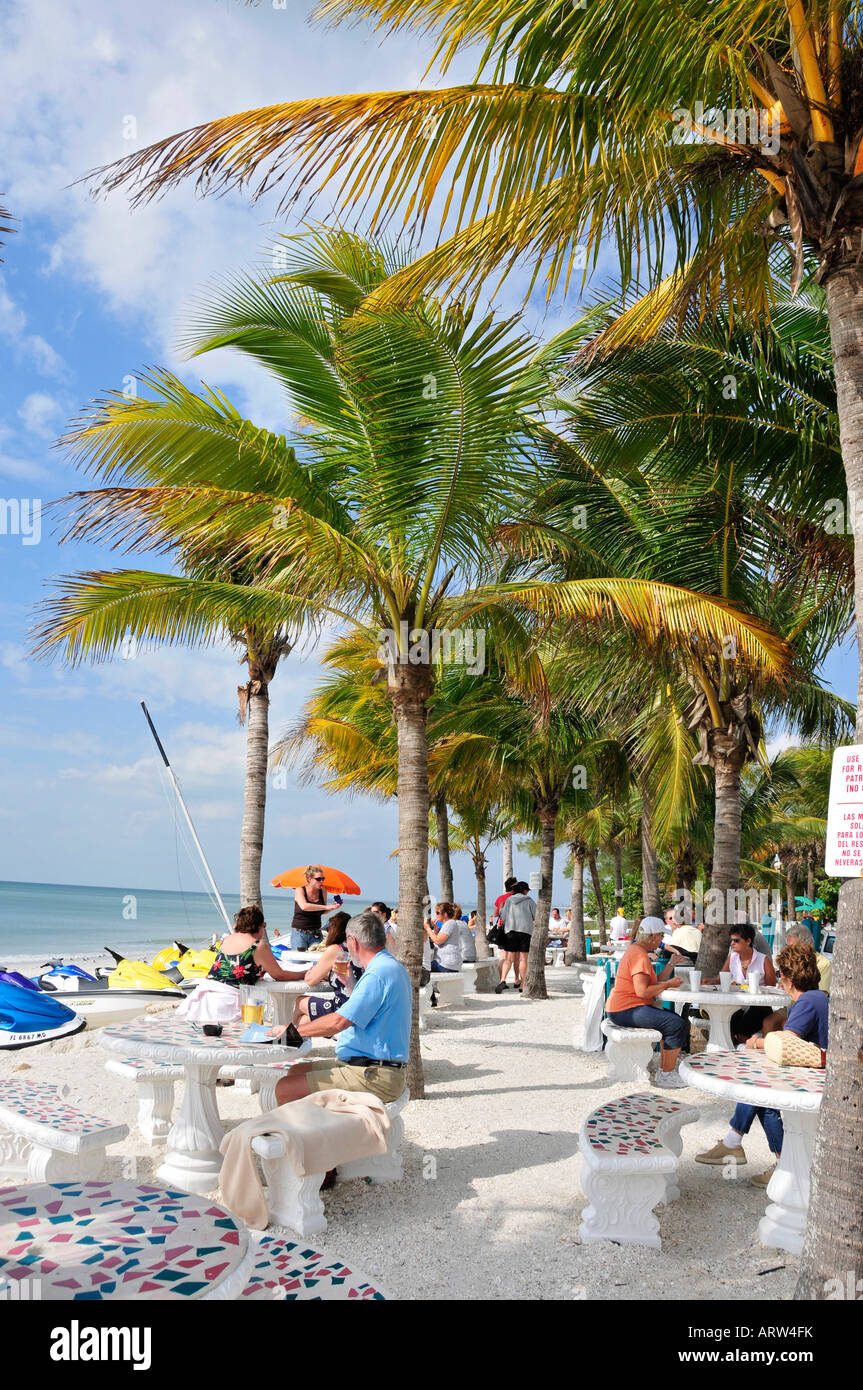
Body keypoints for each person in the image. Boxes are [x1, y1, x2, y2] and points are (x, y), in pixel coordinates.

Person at [695, 941, 828, 1186]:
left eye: (780, 975)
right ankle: (741, 1145)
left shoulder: (806, 1002)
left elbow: (786, 1044)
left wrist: (756, 1042)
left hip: (817, 1079)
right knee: (761, 1094)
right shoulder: (819, 997)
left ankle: (763, 1156)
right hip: (818, 1071)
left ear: (789, 978)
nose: (779, 982)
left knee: (762, 1095)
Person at [274, 912, 411, 1109]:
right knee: (295, 1072)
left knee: (286, 1088)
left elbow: (338, 1022)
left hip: (375, 1075)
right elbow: (372, 1007)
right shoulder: (390, 966)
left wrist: (290, 1033)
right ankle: (315, 1132)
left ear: (352, 941)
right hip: (370, 1067)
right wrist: (349, 984)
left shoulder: (377, 974)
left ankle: (305, 1138)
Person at [178, 904, 307, 1024]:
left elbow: (232, 968)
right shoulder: (258, 946)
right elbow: (280, 975)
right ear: (258, 925)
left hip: (204, 997)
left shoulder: (228, 939)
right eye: (264, 925)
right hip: (228, 1002)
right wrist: (305, 974)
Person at [605, 916, 688, 1088]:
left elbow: (652, 983)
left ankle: (665, 1070)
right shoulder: (640, 956)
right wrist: (668, 984)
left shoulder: (636, 951)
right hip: (626, 1009)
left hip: (621, 1008)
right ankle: (666, 1075)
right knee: (675, 1024)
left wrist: (670, 964)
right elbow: (642, 991)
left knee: (672, 1019)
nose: (662, 940)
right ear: (653, 937)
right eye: (661, 936)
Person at [705, 922, 776, 1041]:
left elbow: (771, 987)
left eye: (736, 940)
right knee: (728, 1020)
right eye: (731, 940)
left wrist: (754, 989)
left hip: (758, 1005)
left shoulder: (764, 960)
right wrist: (709, 981)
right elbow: (720, 979)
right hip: (737, 1003)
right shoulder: (732, 958)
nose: (732, 943)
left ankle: (742, 1046)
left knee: (743, 1027)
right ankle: (730, 1050)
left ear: (748, 941)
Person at [291, 911, 361, 1030]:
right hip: (355, 1005)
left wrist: (310, 972)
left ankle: (290, 1039)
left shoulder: (336, 949)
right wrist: (328, 976)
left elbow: (311, 980)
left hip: (342, 1008)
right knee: (304, 1021)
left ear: (333, 931)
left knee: (299, 1001)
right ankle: (297, 1039)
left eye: (328, 931)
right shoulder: (354, 948)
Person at [495, 881, 536, 993]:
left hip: (510, 931)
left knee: (508, 958)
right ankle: (522, 984)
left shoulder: (509, 900)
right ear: (524, 890)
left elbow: (502, 916)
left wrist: (503, 908)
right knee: (523, 959)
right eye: (527, 890)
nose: (527, 892)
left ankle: (502, 980)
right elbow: (535, 915)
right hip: (525, 932)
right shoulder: (529, 901)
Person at [291, 866, 337, 950]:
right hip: (299, 933)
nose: (322, 881)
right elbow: (304, 906)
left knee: (318, 961)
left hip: (316, 933)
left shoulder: (323, 891)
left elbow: (322, 911)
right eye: (318, 879)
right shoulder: (300, 890)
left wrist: (332, 907)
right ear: (309, 879)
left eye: (323, 878)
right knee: (298, 961)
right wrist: (327, 906)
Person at [786, 922, 831, 993]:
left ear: (805, 945)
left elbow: (822, 994)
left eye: (792, 948)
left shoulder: (823, 964)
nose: (789, 951)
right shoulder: (790, 961)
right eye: (788, 947)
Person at [493, 876, 519, 989]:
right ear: (514, 887)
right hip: (513, 929)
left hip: (501, 930)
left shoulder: (500, 898)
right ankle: (516, 980)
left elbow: (495, 914)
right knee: (517, 956)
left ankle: (501, 980)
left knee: (503, 956)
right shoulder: (516, 898)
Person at [425, 902, 463, 972]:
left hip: (446, 964)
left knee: (423, 968)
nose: (436, 915)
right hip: (449, 963)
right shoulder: (448, 924)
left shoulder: (450, 923)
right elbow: (438, 941)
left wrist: (427, 928)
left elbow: (437, 941)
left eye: (438, 913)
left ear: (445, 914)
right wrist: (436, 929)